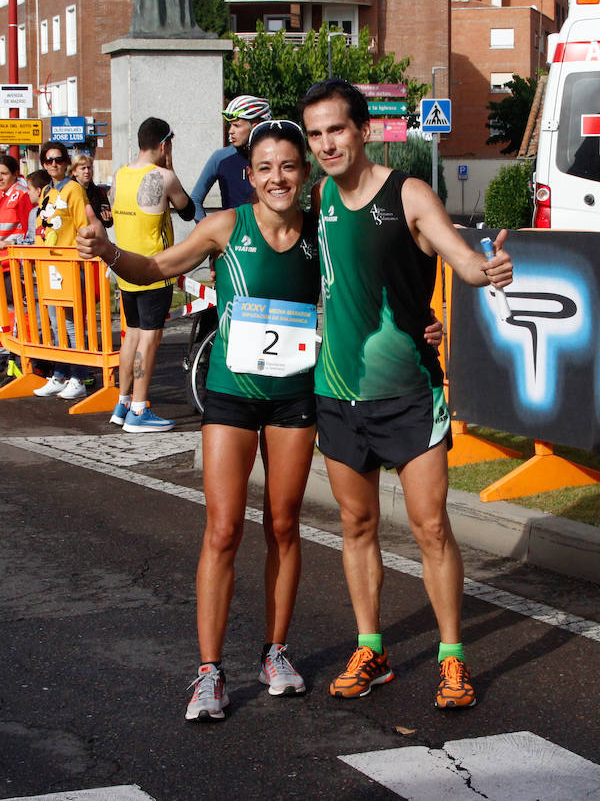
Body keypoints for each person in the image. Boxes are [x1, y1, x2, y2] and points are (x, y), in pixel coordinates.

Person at [78, 119, 320, 720]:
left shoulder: (323, 232)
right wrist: (109, 249)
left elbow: (373, 283)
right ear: (250, 175)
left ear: (305, 173)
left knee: (285, 525)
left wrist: (425, 320)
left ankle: (275, 652)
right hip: (232, 396)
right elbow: (157, 268)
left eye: (287, 166)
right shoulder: (225, 226)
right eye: (264, 167)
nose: (276, 177)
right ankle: (209, 672)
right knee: (222, 529)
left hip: (294, 396)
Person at [299, 79, 513, 709]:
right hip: (338, 392)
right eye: (316, 134)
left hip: (409, 393)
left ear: (364, 130)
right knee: (356, 523)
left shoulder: (409, 192)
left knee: (429, 528)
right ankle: (372, 648)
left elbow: (460, 259)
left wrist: (486, 270)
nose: (327, 144)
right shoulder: (318, 199)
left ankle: (452, 658)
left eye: (336, 129)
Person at [108, 116, 195, 433]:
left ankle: (124, 402)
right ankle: (141, 410)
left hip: (125, 268)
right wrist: (171, 167)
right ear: (163, 145)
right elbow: (187, 209)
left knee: (131, 334)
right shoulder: (163, 177)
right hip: (155, 269)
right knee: (150, 337)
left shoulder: (120, 174)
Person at [33, 142, 90, 401]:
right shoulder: (46, 190)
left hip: (69, 264)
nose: (53, 164)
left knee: (71, 323)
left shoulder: (74, 190)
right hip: (49, 264)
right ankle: (60, 373)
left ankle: (78, 376)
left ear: (66, 162)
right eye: (48, 160)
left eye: (57, 159)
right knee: (55, 323)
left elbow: (83, 226)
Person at [190, 96, 272, 221]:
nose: (231, 131)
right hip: (233, 237)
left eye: (237, 125)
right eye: (230, 125)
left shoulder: (273, 156)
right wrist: (208, 232)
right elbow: (195, 200)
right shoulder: (220, 158)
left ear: (254, 127)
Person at [0, 154, 35, 307]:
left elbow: (29, 232)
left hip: (14, 264)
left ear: (15, 174)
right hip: (3, 263)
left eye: (4, 174)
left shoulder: (21, 195)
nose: (0, 178)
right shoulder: (3, 194)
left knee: (17, 308)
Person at [70, 153, 113, 228]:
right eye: (83, 168)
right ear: (74, 172)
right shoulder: (68, 191)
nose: (87, 171)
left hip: (96, 236)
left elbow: (108, 223)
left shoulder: (100, 192)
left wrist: (107, 219)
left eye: (89, 168)